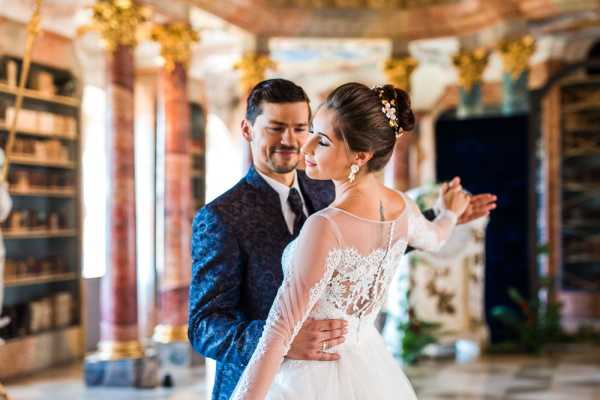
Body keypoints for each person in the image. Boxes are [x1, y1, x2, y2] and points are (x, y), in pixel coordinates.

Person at [189, 79, 496, 400]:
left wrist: (440, 216)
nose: (292, 141)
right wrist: (283, 341)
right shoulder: (221, 217)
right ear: (248, 129)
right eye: (276, 128)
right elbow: (203, 326)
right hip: (266, 382)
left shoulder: (328, 185)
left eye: (301, 128)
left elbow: (363, 250)